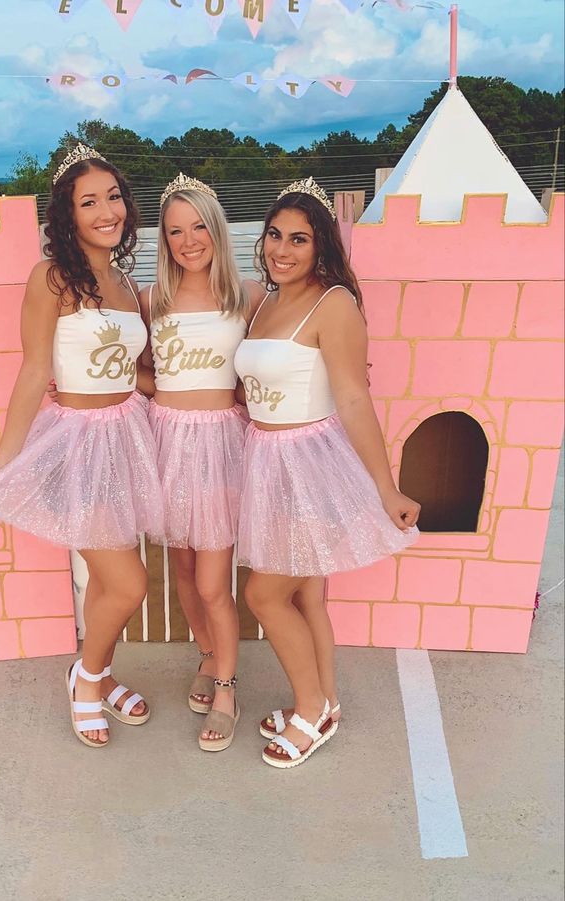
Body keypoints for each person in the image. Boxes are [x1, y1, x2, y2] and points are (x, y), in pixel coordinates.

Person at [0, 144, 164, 749]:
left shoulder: (127, 282)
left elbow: (133, 372)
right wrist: (5, 455)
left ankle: (96, 673)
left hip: (128, 436)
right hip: (78, 443)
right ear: (67, 214)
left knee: (109, 579)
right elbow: (33, 371)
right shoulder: (52, 278)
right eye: (89, 201)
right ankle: (87, 679)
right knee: (128, 584)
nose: (107, 211)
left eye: (113, 197)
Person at [233, 177, 421, 769]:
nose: (281, 250)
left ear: (322, 248)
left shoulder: (333, 304)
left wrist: (385, 487)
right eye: (273, 235)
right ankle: (327, 700)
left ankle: (310, 710)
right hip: (262, 457)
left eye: (299, 239)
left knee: (265, 595)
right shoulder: (263, 300)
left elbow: (354, 398)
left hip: (306, 465)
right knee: (308, 595)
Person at [142, 173, 263, 751]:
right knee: (185, 572)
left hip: (219, 447)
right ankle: (209, 655)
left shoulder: (248, 295)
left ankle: (228, 688)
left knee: (215, 583)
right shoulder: (152, 301)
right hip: (167, 442)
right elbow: (140, 370)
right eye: (174, 231)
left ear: (215, 229)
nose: (187, 240)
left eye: (197, 227)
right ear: (163, 240)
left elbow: (269, 360)